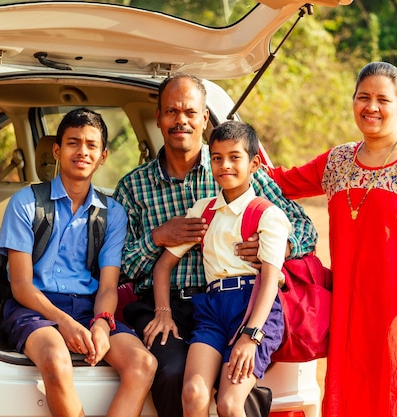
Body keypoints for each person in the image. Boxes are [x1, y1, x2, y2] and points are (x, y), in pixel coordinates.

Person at [113, 73, 317, 417]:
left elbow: (304, 228)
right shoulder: (134, 187)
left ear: (204, 117)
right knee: (176, 374)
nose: (181, 120)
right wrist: (156, 239)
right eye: (172, 112)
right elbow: (116, 266)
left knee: (234, 383)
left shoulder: (233, 165)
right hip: (167, 306)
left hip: (244, 301)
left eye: (191, 112)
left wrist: (278, 249)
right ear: (159, 117)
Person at [267, 62, 397, 417]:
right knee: (350, 392)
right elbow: (280, 182)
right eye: (363, 97)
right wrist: (236, 157)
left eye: (382, 99)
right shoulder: (339, 160)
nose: (371, 107)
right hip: (349, 308)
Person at [0, 108, 157, 417]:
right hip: (33, 308)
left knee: (143, 363)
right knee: (57, 359)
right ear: (57, 150)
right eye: (73, 142)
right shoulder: (25, 203)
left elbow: (109, 285)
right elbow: (21, 286)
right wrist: (64, 322)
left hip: (88, 308)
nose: (82, 151)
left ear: (103, 156)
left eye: (91, 145)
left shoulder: (113, 213)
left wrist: (102, 321)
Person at [150, 121, 288, 417]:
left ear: (254, 164)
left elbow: (270, 280)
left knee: (229, 403)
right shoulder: (203, 210)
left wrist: (251, 336)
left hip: (253, 309)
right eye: (216, 157)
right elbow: (163, 267)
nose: (224, 165)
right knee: (194, 392)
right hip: (212, 309)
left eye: (234, 157)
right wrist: (164, 312)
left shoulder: (268, 215)